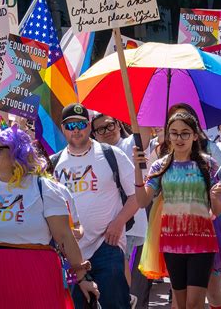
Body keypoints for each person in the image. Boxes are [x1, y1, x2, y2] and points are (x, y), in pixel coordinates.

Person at [0, 124, 99, 308]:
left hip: (33, 272)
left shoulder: (43, 186)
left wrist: (82, 275)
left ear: (16, 152)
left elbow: (64, 236)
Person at [133, 112, 221, 309]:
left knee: (194, 304)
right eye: (174, 133)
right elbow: (142, 201)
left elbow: (216, 210)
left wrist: (216, 198)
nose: (179, 138)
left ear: (194, 135)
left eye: (185, 133)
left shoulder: (208, 164)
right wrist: (137, 170)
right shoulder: (160, 165)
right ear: (167, 136)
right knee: (180, 304)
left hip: (202, 241)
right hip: (171, 242)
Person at [52, 103, 137, 309]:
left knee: (115, 305)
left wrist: (118, 223)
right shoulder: (54, 163)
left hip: (107, 245)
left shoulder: (111, 154)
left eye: (80, 124)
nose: (76, 130)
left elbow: (137, 196)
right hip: (72, 254)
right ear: (63, 129)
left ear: (89, 126)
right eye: (70, 126)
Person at [91, 112, 151, 309]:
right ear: (94, 134)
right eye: (100, 129)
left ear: (118, 124)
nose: (107, 131)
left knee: (122, 286)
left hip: (130, 227)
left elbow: (144, 128)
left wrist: (134, 104)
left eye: (110, 125)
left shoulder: (129, 145)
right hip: (104, 231)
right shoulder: (94, 155)